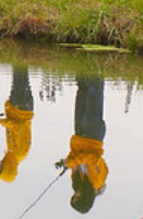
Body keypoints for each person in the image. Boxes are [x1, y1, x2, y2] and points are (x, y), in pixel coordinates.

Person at [57, 76, 109, 214]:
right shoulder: (96, 182)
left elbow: (74, 157)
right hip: (92, 136)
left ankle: (83, 69)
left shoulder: (77, 180)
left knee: (81, 93)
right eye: (78, 197)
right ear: (87, 198)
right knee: (94, 93)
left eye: (73, 196)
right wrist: (73, 161)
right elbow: (94, 159)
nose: (76, 193)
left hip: (79, 135)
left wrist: (66, 163)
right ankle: (97, 69)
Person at [0, 65, 34, 182]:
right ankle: (23, 50)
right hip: (22, 108)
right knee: (21, 70)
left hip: (16, 108)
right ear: (9, 169)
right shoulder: (19, 154)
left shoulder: (11, 153)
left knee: (18, 71)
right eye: (2, 167)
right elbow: (19, 126)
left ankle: (20, 50)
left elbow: (12, 127)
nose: (0, 163)